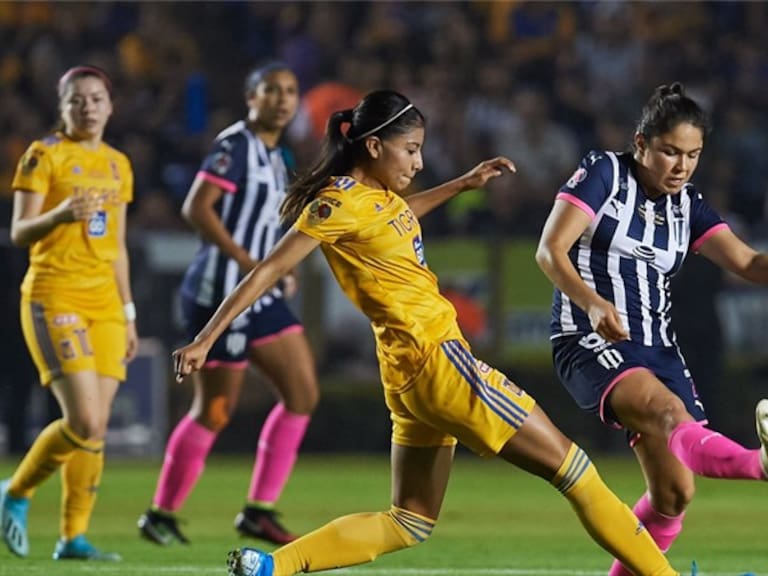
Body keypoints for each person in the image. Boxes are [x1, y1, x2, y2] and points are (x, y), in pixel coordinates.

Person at [173, 89, 689, 576]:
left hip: (408, 376)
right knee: (578, 473)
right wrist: (207, 339)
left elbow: (398, 216)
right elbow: (266, 270)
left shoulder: (374, 198)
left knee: (410, 520)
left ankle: (272, 566)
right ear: (373, 145)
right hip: (441, 363)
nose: (418, 163)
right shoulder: (337, 204)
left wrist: (461, 184)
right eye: (411, 150)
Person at [536, 82, 768, 576]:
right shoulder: (604, 173)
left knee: (674, 494)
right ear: (641, 143)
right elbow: (550, 250)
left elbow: (748, 262)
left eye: (693, 155)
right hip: (589, 338)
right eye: (669, 152)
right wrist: (592, 303)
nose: (681, 166)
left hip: (657, 348)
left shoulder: (688, 205)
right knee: (668, 412)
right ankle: (761, 464)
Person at [138, 62, 318, 547]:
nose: (282, 99)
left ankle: (259, 511)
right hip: (221, 292)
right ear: (250, 97)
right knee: (215, 409)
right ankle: (160, 514)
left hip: (259, 293)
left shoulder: (277, 155)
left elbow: (264, 221)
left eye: (290, 91)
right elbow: (196, 207)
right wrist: (249, 262)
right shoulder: (235, 144)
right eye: (271, 90)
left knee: (302, 393)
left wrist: (282, 265)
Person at [0, 65, 137, 561]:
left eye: (97, 98)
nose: (88, 107)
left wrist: (128, 310)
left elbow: (117, 245)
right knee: (82, 418)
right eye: (77, 100)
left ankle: (72, 537)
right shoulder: (43, 155)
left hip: (105, 303)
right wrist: (60, 215)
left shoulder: (119, 164)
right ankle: (14, 492)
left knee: (96, 427)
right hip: (54, 294)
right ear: (62, 108)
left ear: (110, 105)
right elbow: (19, 232)